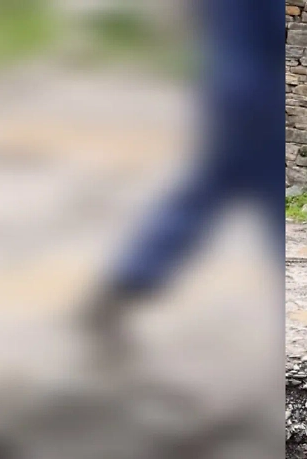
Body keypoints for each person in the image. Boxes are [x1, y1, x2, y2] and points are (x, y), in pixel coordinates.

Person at [83, 0, 284, 356]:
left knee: (210, 187)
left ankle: (125, 283)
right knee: (257, 197)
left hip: (228, 87)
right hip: (257, 94)